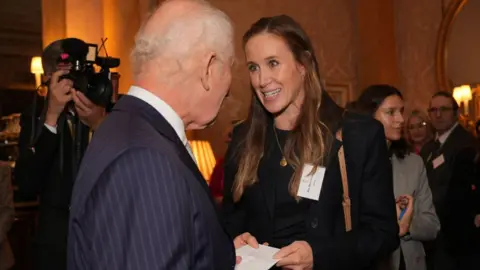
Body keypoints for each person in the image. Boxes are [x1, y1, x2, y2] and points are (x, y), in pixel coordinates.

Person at [67, 0, 236, 269]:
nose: (229, 86)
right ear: (208, 67)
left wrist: (216, 253)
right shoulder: (147, 161)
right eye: (230, 65)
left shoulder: (125, 125)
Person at [222, 15, 399, 270]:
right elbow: (230, 219)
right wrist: (235, 239)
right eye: (254, 67)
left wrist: (319, 254)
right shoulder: (243, 139)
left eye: (273, 63)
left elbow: (383, 233)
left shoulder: (356, 135)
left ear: (303, 64)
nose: (262, 80)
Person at [15, 39, 106, 270]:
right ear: (48, 78)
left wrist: (99, 124)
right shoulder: (35, 115)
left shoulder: (102, 109)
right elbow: (27, 184)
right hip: (57, 244)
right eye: (67, 76)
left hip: (102, 236)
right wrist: (51, 118)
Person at [354, 85, 440, 270]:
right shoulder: (349, 163)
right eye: (390, 112)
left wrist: (407, 225)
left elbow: (432, 226)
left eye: (401, 111)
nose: (401, 119)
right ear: (369, 116)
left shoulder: (413, 164)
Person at [420, 91, 480, 270]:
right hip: (432, 236)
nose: (438, 115)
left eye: (444, 109)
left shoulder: (467, 144)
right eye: (433, 110)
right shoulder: (428, 148)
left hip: (459, 238)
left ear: (456, 112)